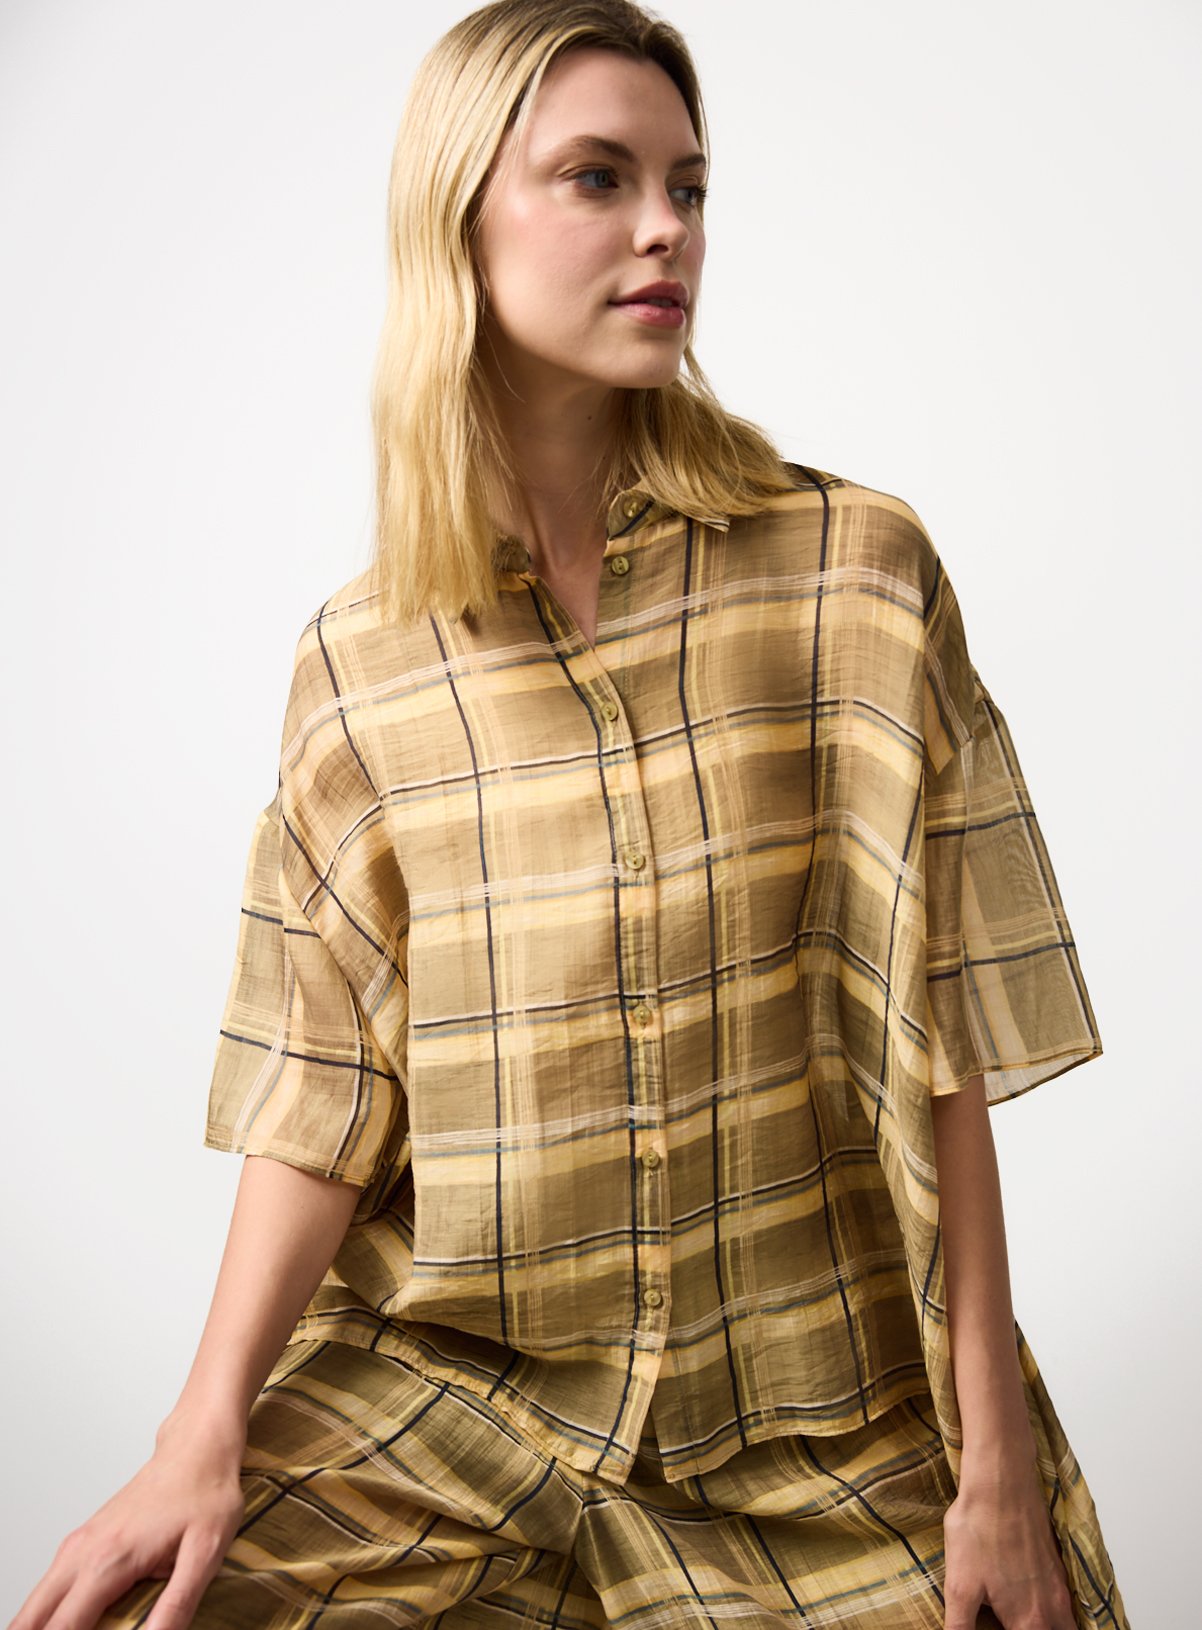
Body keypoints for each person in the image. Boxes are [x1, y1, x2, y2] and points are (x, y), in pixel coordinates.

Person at [11, 3, 1130, 1628]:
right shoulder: (362, 661)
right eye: (598, 178)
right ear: (455, 216)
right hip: (450, 1396)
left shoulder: (851, 576)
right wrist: (198, 1434)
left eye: (688, 184)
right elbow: (321, 1094)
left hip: (813, 1414)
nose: (665, 226)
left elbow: (944, 1034)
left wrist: (996, 1468)